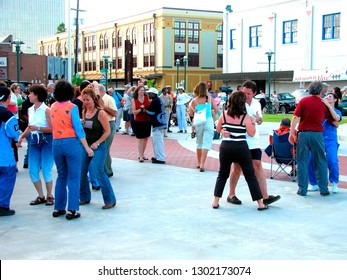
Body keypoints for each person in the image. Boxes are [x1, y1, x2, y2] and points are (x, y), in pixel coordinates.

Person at [225, 80, 281, 206]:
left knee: (257, 165)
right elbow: (228, 116)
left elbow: (260, 119)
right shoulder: (237, 102)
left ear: (254, 93)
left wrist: (257, 119)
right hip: (239, 139)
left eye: (249, 93)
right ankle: (231, 194)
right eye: (244, 92)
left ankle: (265, 196)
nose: (246, 96)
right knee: (237, 167)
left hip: (253, 139)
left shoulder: (256, 104)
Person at [212, 91, 267, 210]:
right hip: (241, 147)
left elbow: (217, 128)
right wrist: (253, 122)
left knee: (222, 174)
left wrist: (222, 132)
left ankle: (215, 201)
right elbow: (251, 134)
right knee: (250, 175)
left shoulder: (224, 114)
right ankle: (260, 203)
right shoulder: (245, 117)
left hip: (226, 147)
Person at [50, 80, 94, 220]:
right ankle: (73, 209)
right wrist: (87, 147)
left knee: (61, 175)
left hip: (56, 142)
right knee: (74, 176)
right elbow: (78, 129)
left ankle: (58, 207)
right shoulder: (73, 107)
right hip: (71, 143)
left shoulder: (53, 107)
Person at [289, 81, 339, 197]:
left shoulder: (303, 101)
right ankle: (323, 189)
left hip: (304, 134)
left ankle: (302, 189)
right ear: (321, 91)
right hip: (318, 134)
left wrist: (291, 132)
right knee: (320, 161)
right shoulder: (323, 103)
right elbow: (335, 120)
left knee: (302, 161)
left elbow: (295, 117)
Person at [79, 86, 117, 209]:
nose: (85, 102)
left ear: (93, 99)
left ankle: (110, 199)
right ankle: (84, 197)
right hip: (86, 146)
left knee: (98, 171)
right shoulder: (85, 112)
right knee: (81, 171)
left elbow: (107, 131)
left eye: (87, 100)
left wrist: (98, 143)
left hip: (98, 146)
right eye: (84, 100)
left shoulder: (100, 113)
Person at [18, 85, 55, 206]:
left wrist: (38, 128)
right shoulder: (30, 109)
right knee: (32, 169)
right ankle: (41, 195)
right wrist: (22, 136)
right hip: (34, 140)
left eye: (31, 93)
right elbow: (30, 127)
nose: (28, 95)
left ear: (37, 95)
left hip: (46, 141)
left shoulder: (46, 110)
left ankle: (50, 195)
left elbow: (52, 128)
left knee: (46, 169)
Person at [308, 92, 342, 193]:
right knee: (311, 160)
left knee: (332, 161)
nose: (327, 97)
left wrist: (328, 107)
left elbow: (337, 120)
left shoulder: (337, 111)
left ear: (335, 100)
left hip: (330, 139)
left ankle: (334, 182)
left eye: (330, 96)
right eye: (326, 96)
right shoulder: (320, 110)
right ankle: (314, 183)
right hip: (318, 138)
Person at [188, 82, 219, 172]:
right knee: (206, 143)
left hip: (198, 122)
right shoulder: (209, 99)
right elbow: (216, 110)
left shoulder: (194, 101)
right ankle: (202, 164)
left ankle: (198, 163)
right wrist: (211, 113)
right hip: (208, 121)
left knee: (199, 143)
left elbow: (191, 114)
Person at [0, 86, 20, 216]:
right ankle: (2, 205)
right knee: (7, 178)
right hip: (4, 154)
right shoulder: (7, 115)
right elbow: (15, 133)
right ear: (8, 98)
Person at [97, 84, 117, 178]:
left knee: (105, 147)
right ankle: (104, 169)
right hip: (100, 126)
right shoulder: (96, 99)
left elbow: (115, 113)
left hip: (109, 124)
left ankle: (107, 170)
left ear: (101, 91)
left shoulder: (109, 99)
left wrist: (103, 106)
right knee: (103, 148)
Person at [146, 87, 167, 164]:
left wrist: (144, 110)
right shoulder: (157, 100)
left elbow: (151, 112)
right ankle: (158, 156)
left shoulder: (155, 101)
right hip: (160, 123)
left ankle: (160, 158)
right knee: (157, 141)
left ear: (153, 94)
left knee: (157, 141)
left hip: (158, 123)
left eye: (149, 93)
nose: (148, 95)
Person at [132, 85, 151, 162]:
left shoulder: (147, 98)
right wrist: (140, 109)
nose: (142, 92)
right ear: (137, 91)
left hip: (147, 120)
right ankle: (140, 156)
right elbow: (134, 112)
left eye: (143, 90)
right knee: (140, 139)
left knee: (146, 138)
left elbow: (150, 106)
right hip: (139, 121)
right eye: (140, 90)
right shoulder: (134, 100)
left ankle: (142, 154)